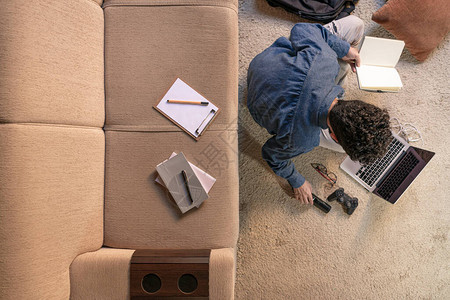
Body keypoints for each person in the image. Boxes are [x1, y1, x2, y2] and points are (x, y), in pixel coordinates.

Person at [246, 16, 392, 205]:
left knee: (356, 25)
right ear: (335, 137)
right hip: (255, 100)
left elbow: (302, 29)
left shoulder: (325, 60)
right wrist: (296, 181)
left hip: (265, 64)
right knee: (341, 152)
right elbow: (271, 154)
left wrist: (343, 50)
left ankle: (344, 50)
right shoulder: (303, 141)